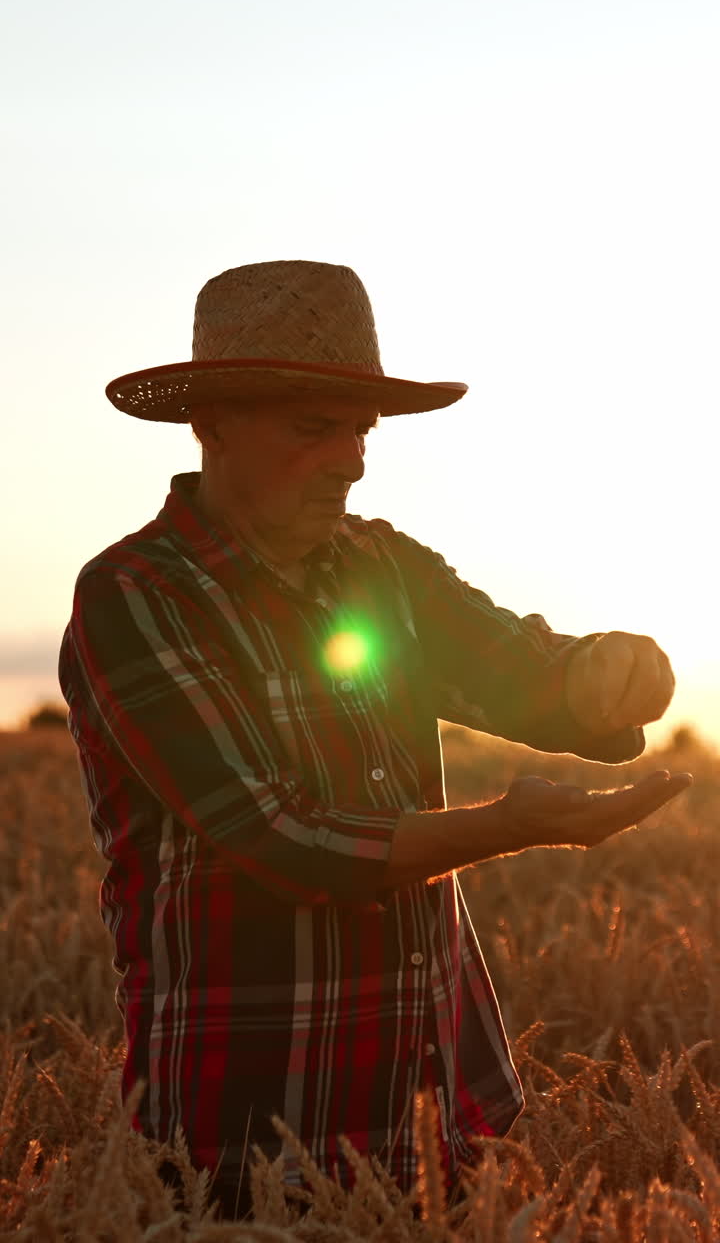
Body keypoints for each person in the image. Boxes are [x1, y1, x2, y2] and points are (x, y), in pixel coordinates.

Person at [58, 260, 691, 1219]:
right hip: (253, 1124)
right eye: (315, 428)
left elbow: (527, 671)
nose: (352, 459)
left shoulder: (382, 567)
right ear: (214, 424)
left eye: (361, 429)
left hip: (440, 1102)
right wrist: (512, 826)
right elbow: (284, 836)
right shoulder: (136, 597)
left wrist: (609, 673)